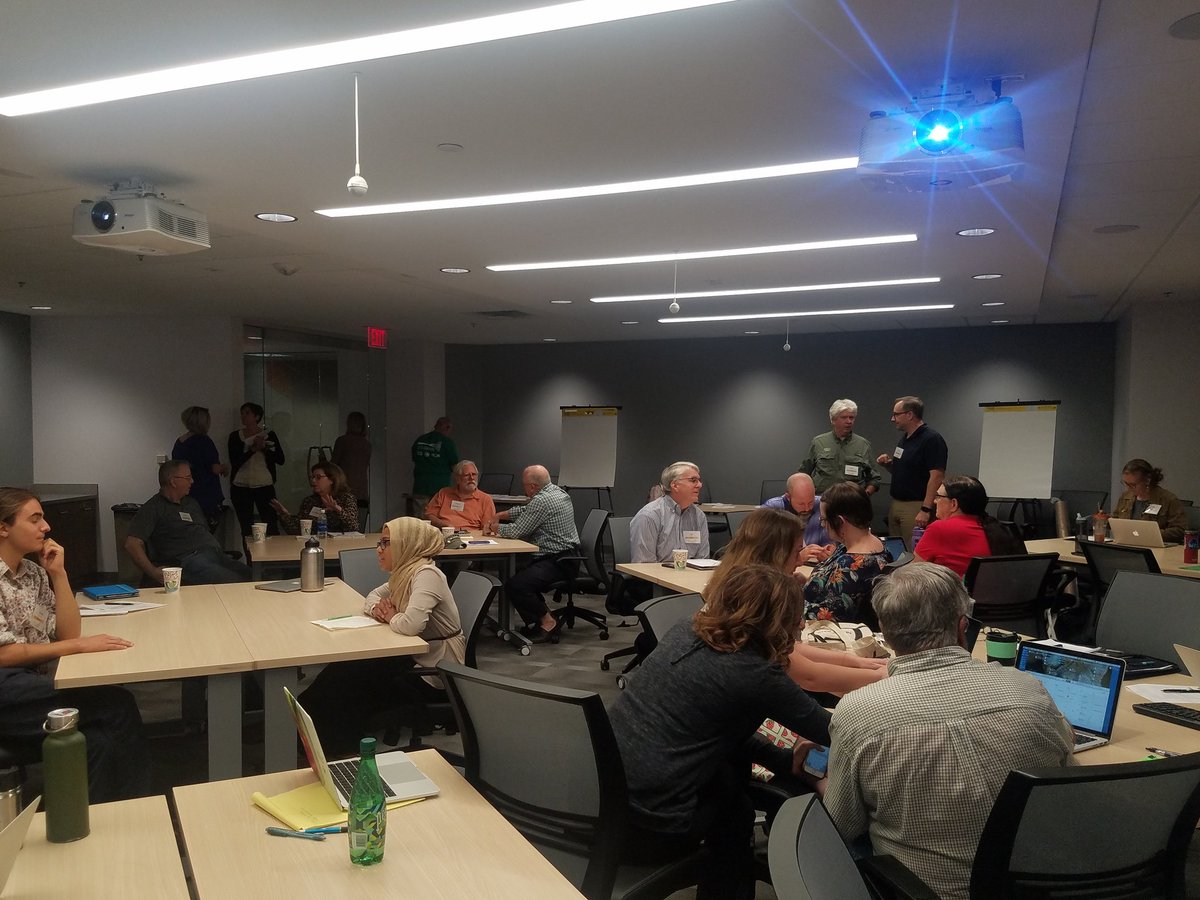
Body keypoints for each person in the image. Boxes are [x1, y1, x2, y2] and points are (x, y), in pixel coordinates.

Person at [820, 562, 1074, 900]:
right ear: (962, 626)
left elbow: (842, 824)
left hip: (922, 890)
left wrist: (814, 779)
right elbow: (1066, 768)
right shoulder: (1028, 688)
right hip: (1038, 886)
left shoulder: (858, 711)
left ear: (885, 630)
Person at [608, 564, 832, 900]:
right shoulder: (755, 673)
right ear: (773, 621)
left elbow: (716, 731)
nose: (800, 624)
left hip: (605, 799)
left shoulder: (685, 631)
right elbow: (833, 732)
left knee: (729, 779)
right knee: (735, 809)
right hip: (652, 825)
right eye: (794, 616)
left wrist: (784, 760)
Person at [0, 487, 150, 802]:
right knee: (117, 703)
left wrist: (59, 574)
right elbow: (5, 654)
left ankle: (100, 817)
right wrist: (80, 647)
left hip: (28, 681)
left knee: (98, 741)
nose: (46, 527)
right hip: (6, 688)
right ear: (3, 528)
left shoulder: (33, 574)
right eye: (35, 519)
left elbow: (68, 634)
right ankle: (138, 805)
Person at [299, 517, 466, 756]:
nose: (379, 549)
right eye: (380, 543)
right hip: (412, 655)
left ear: (407, 544)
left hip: (433, 671)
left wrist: (391, 616)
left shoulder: (427, 574)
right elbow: (371, 597)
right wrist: (380, 610)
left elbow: (411, 625)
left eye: (386, 543)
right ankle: (307, 730)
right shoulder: (404, 573)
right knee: (342, 671)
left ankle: (333, 748)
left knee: (348, 682)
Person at [708, 508, 888, 695]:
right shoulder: (756, 595)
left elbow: (790, 650)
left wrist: (856, 662)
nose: (799, 561)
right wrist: (882, 675)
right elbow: (809, 677)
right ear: (776, 553)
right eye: (796, 552)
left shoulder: (736, 583)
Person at [486, 465, 579, 644]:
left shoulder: (542, 501)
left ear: (533, 487)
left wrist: (493, 527)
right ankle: (540, 619)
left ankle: (548, 622)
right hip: (567, 557)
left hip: (559, 561)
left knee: (517, 584)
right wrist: (502, 514)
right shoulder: (558, 492)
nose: (524, 488)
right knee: (516, 575)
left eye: (524, 485)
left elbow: (516, 531)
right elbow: (527, 511)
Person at [125, 460, 252, 585]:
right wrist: (153, 572)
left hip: (215, 554)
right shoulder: (154, 507)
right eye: (188, 477)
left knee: (254, 577)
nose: (192, 481)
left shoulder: (191, 503)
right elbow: (132, 544)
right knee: (237, 583)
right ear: (173, 481)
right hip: (189, 560)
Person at [800, 481, 890, 622]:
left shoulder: (850, 566)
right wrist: (806, 581)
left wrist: (789, 599)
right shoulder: (876, 546)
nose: (823, 525)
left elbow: (826, 616)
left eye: (823, 520)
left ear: (840, 521)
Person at [914, 475, 1025, 576]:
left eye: (938, 496)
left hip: (955, 591)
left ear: (953, 504)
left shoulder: (939, 528)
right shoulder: (996, 527)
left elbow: (912, 572)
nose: (934, 501)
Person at [876, 395, 948, 550]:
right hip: (896, 503)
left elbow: (937, 476)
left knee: (912, 552)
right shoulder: (905, 439)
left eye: (896, 414)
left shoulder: (931, 439)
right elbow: (905, 472)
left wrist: (925, 509)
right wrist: (888, 465)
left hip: (916, 505)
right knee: (896, 551)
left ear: (909, 415)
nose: (892, 419)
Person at [631, 461, 710, 563]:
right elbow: (644, 565)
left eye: (699, 480)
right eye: (693, 480)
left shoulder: (698, 516)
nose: (699, 485)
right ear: (675, 485)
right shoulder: (649, 515)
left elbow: (703, 560)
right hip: (657, 572)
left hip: (690, 572)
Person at [799, 399, 881, 495]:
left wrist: (864, 495)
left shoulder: (863, 445)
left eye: (851, 417)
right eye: (844, 417)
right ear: (833, 420)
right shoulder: (818, 442)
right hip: (823, 498)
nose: (849, 421)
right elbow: (803, 474)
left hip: (852, 500)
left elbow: (874, 479)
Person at [228, 402, 285, 538]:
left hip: (264, 484)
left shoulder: (269, 435)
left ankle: (272, 551)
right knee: (246, 527)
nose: (243, 416)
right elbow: (235, 461)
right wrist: (252, 450)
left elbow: (280, 459)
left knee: (270, 524)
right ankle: (250, 552)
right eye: (242, 413)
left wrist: (264, 448)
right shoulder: (235, 436)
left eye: (247, 413)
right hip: (240, 484)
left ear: (257, 416)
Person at [171, 405, 229, 532]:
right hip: (206, 494)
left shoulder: (179, 443)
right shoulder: (204, 442)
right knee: (206, 532)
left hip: (185, 494)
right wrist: (224, 468)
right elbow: (214, 468)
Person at [760, 472, 834, 565]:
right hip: (780, 567)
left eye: (811, 502)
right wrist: (796, 557)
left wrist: (829, 551)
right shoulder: (771, 509)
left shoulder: (822, 505)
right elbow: (762, 552)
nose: (807, 508)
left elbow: (832, 540)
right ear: (788, 497)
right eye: (801, 504)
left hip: (814, 566)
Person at [1110, 458, 1187, 543]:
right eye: (1126, 483)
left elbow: (1180, 530)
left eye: (1133, 485)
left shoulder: (1168, 499)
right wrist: (1105, 520)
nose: (1128, 488)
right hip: (1127, 544)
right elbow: (1116, 519)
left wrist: (1152, 533)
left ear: (1147, 481)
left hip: (1155, 546)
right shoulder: (1125, 496)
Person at [270, 461, 359, 534]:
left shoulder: (346, 498)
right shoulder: (310, 501)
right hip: (313, 544)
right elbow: (296, 530)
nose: (313, 480)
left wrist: (337, 509)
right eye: (312, 477)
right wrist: (284, 514)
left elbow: (353, 528)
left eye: (318, 477)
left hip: (339, 545)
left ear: (332, 480)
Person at [424, 460, 496, 531]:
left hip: (471, 535)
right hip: (444, 532)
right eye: (467, 475)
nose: (471, 478)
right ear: (458, 479)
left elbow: (487, 528)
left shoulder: (485, 499)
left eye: (474, 474)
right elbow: (428, 515)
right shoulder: (443, 493)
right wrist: (444, 526)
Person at [410, 417, 458, 516]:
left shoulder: (420, 440)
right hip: (440, 487)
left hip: (420, 486)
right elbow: (455, 466)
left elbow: (415, 459)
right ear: (447, 427)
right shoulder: (447, 442)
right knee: (438, 517)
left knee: (420, 518)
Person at [331, 411, 371, 524]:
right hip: (361, 491)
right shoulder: (367, 444)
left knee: (342, 525)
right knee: (359, 525)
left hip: (344, 489)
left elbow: (333, 466)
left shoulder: (342, 441)